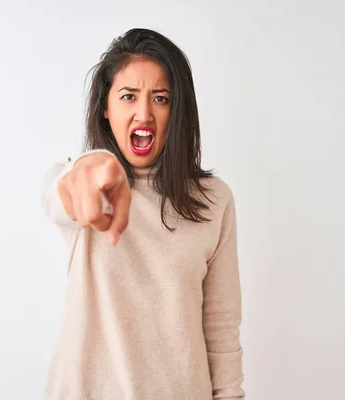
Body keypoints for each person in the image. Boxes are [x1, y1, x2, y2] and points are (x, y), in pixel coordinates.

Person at [41, 28, 245, 400]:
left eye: (161, 98)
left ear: (177, 109)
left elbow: (221, 329)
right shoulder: (90, 180)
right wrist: (89, 172)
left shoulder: (215, 201)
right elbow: (62, 193)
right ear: (106, 108)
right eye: (128, 96)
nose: (144, 113)